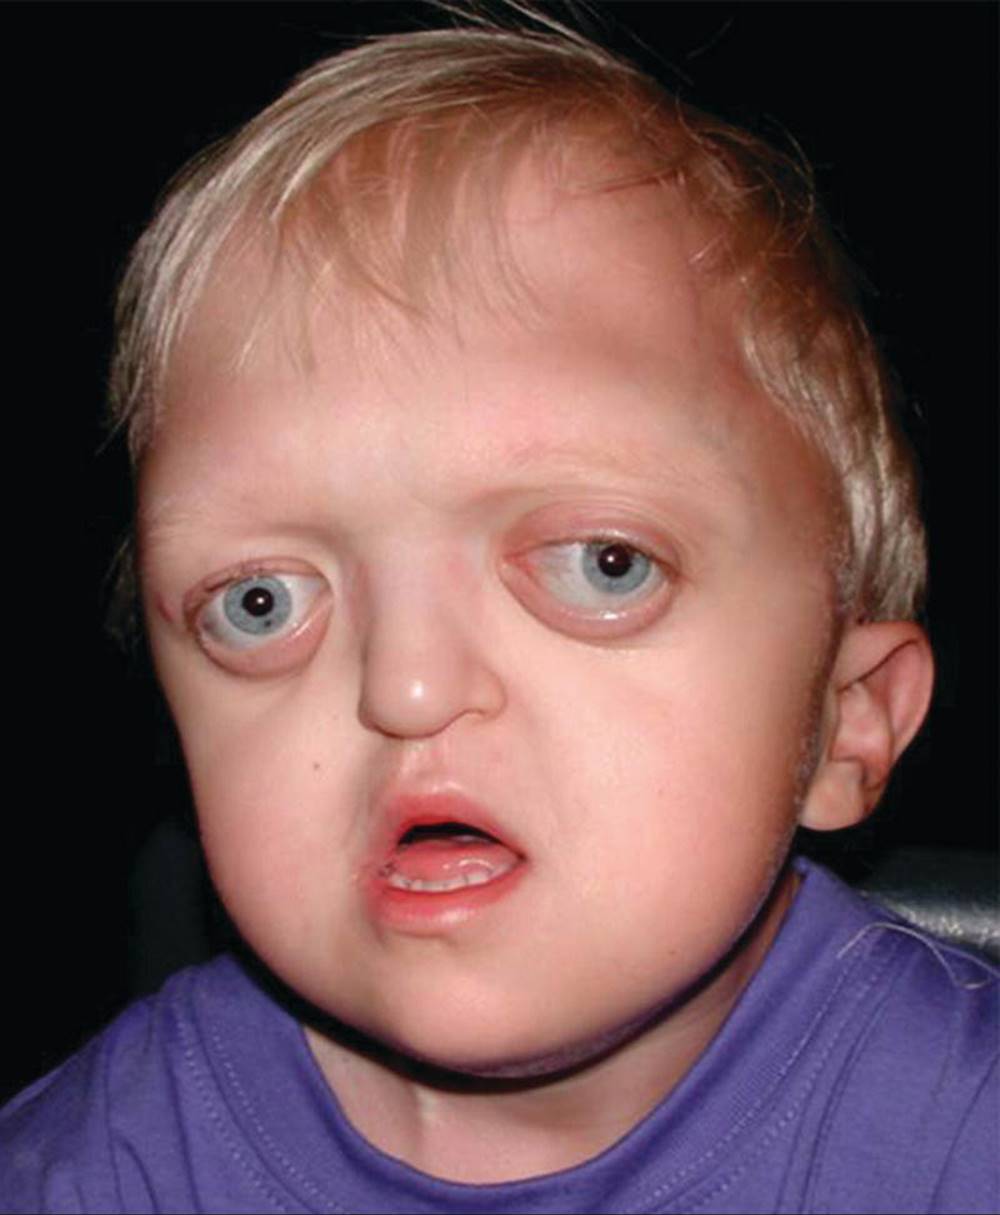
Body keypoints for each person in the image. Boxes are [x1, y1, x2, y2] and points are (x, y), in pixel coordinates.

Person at [3, 7, 996, 1212]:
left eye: (602, 566)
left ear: (843, 721)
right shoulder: (92, 1172)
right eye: (261, 603)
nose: (407, 685)